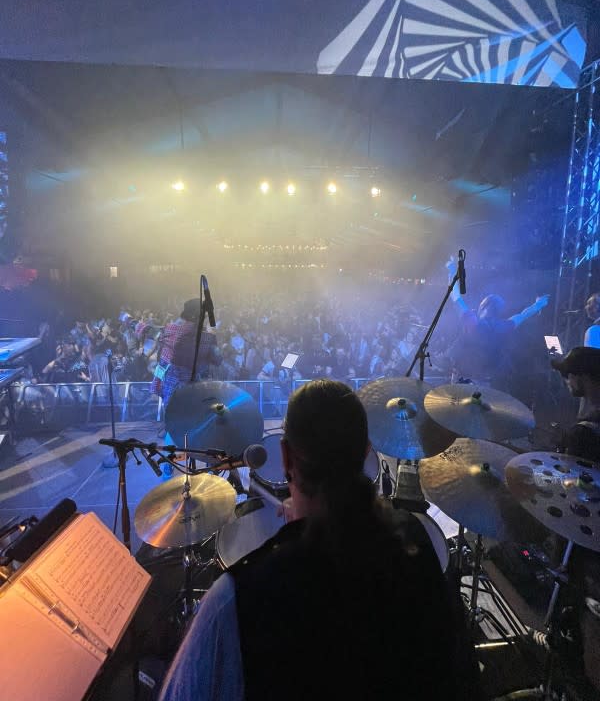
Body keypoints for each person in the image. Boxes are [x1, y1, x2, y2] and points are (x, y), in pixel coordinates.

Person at [159, 380, 480, 701]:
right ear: (366, 451)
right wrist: (310, 522)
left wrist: (301, 531)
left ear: (286, 457)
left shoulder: (236, 595)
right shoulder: (417, 542)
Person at [551, 347, 600, 694]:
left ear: (583, 378)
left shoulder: (582, 434)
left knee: (574, 624)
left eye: (569, 374)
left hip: (584, 546)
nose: (566, 380)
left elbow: (568, 499)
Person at [445, 257, 549, 388]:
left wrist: (452, 270)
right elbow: (523, 315)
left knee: (455, 401)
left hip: (461, 379)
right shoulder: (503, 326)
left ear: (482, 306)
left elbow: (455, 297)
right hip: (483, 383)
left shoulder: (472, 321)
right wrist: (539, 304)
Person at [151, 298, 221, 408]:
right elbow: (217, 360)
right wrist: (213, 337)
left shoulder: (170, 330)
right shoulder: (207, 338)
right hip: (191, 392)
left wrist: (156, 385)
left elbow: (163, 361)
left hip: (171, 392)